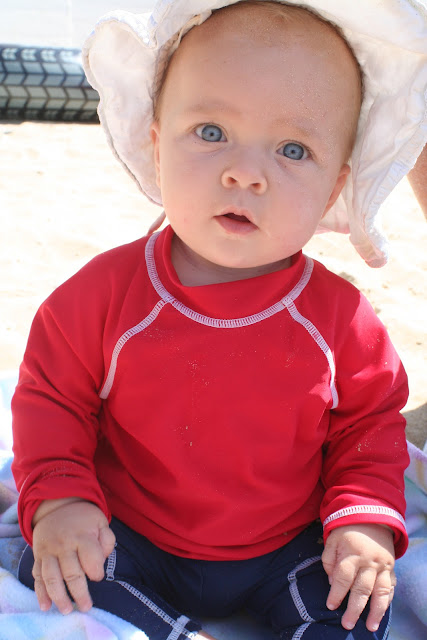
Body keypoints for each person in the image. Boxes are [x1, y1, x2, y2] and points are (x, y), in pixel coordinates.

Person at [11, 1, 426, 639]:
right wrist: (63, 497)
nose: (244, 173)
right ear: (155, 143)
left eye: (293, 149)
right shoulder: (102, 297)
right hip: (133, 531)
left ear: (334, 187)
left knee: (352, 608)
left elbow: (369, 427)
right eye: (210, 132)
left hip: (286, 545)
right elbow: (51, 397)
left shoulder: (340, 321)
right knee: (63, 576)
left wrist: (361, 521)